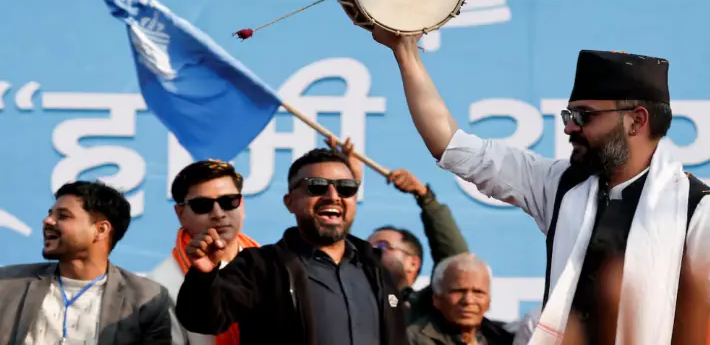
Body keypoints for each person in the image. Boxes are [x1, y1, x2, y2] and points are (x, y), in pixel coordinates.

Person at [372, 27, 710, 345]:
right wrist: (405, 53)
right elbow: (452, 146)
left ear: (637, 121)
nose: (568, 127)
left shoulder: (701, 210)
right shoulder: (562, 185)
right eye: (568, 114)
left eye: (583, 115)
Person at [175, 147, 408, 345]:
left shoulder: (378, 266)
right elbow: (203, 319)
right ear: (290, 202)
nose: (333, 196)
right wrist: (203, 277)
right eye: (316, 186)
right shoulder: (260, 267)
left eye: (346, 187)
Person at [0, 180, 172, 344]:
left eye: (63, 216)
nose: (48, 221)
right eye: (50, 214)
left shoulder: (146, 299)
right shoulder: (7, 283)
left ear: (101, 230)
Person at [326, 136, 470, 324]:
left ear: (413, 263)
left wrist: (425, 197)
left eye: (383, 245)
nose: (371, 251)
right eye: (366, 247)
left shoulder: (428, 310)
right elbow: (328, 245)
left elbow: (456, 262)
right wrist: (347, 191)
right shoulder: (344, 298)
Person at [149, 159, 258, 345]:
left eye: (229, 201)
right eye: (202, 205)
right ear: (180, 213)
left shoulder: (271, 264)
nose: (218, 213)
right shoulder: (160, 286)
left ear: (242, 204)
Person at [408, 253, 513, 345]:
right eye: (458, 291)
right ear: (437, 298)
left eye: (478, 292)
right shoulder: (411, 339)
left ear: (489, 301)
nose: (468, 300)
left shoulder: (504, 339)